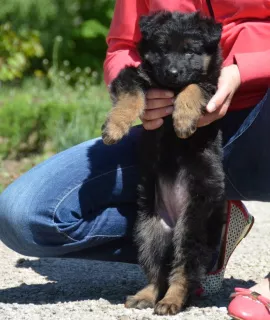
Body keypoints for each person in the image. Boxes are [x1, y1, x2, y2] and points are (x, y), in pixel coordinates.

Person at [0, 0, 269, 319]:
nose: (174, 63)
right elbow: (123, 49)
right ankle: (200, 249)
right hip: (166, 138)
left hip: (258, 116)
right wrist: (135, 103)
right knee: (24, 215)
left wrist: (242, 70)